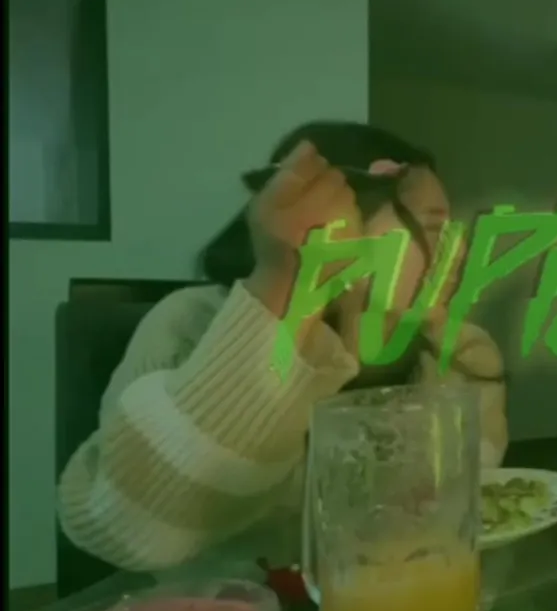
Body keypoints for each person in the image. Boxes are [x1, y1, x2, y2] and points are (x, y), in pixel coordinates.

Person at [57, 121, 507, 575]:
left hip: (403, 594)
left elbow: (471, 497)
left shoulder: (456, 350)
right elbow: (123, 527)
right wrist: (283, 286)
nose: (458, 252)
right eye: (432, 228)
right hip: (234, 605)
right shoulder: (188, 324)